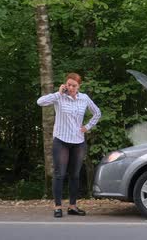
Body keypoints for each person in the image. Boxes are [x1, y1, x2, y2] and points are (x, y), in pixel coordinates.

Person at [37, 72, 101, 218]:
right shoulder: (59, 97)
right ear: (65, 84)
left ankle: (72, 206)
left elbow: (97, 113)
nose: (71, 87)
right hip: (61, 141)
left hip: (78, 142)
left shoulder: (84, 98)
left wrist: (87, 127)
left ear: (79, 86)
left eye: (74, 85)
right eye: (69, 84)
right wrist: (58, 94)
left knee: (75, 175)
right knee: (59, 174)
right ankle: (58, 206)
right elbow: (40, 102)